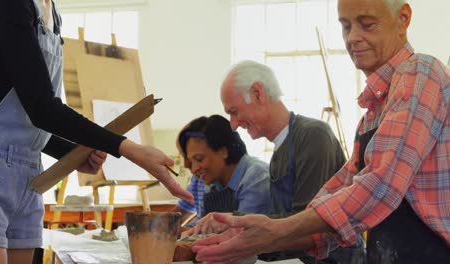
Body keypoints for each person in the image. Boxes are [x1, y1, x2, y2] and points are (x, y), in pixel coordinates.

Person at [192, 0, 450, 263]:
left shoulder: (421, 73)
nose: (353, 38)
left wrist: (277, 231)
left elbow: (381, 184)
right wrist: (252, 233)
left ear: (403, 18)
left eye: (367, 24)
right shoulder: (371, 117)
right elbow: (335, 201)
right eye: (345, 26)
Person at [0, 1, 192, 263]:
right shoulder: (7, 5)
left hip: (30, 176)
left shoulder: (52, 14)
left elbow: (26, 116)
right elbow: (41, 108)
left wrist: (70, 153)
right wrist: (128, 149)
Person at [189, 61, 364, 263]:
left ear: (257, 94)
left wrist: (238, 228)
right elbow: (283, 222)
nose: (234, 125)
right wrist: (230, 222)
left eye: (234, 112)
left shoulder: (313, 136)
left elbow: (307, 226)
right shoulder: (279, 152)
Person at [178, 115, 271, 232]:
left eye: (199, 159)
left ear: (223, 151)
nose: (194, 169)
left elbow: (244, 234)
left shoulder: (257, 178)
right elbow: (202, 224)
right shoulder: (212, 181)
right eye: (191, 161)